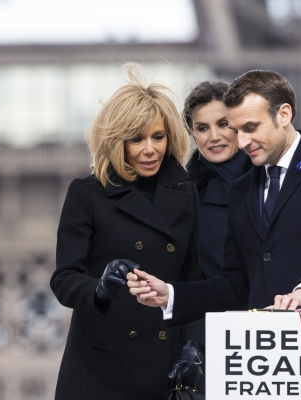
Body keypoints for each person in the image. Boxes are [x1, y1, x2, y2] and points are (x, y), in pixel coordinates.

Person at [127, 69, 301, 324]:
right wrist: (171, 294)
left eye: (251, 128)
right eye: (237, 130)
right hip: (263, 346)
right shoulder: (242, 189)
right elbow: (235, 283)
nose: (243, 142)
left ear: (284, 114)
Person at [50, 64, 202, 400]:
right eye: (137, 139)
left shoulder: (186, 192)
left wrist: (193, 345)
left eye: (158, 137)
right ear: (117, 141)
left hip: (166, 363)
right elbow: (64, 279)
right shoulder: (87, 192)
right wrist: (101, 287)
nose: (150, 149)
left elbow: (193, 281)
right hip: (103, 364)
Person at [183, 81, 253, 278]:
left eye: (223, 124)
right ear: (192, 133)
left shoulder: (272, 178)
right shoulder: (186, 196)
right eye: (203, 128)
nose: (214, 137)